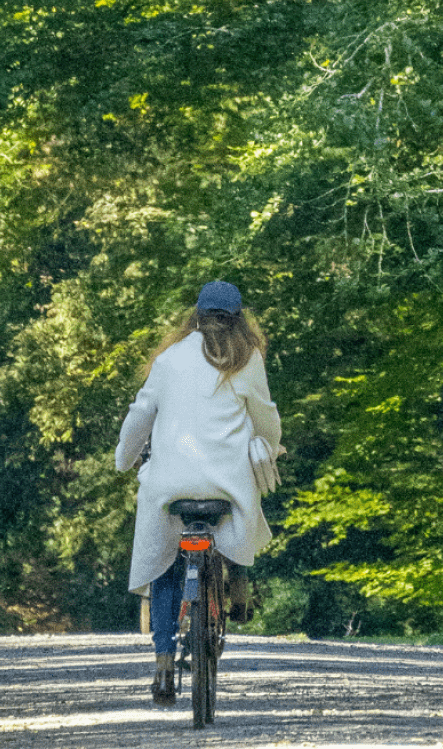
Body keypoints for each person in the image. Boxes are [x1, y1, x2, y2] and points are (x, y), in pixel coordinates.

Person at [116, 281, 283, 706]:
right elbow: (266, 419)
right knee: (239, 515)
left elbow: (141, 413)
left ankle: (163, 664)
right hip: (227, 485)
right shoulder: (247, 358)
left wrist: (123, 458)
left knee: (165, 562)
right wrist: (269, 444)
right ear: (239, 319)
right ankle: (236, 581)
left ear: (195, 316)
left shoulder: (169, 358)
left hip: (172, 484)